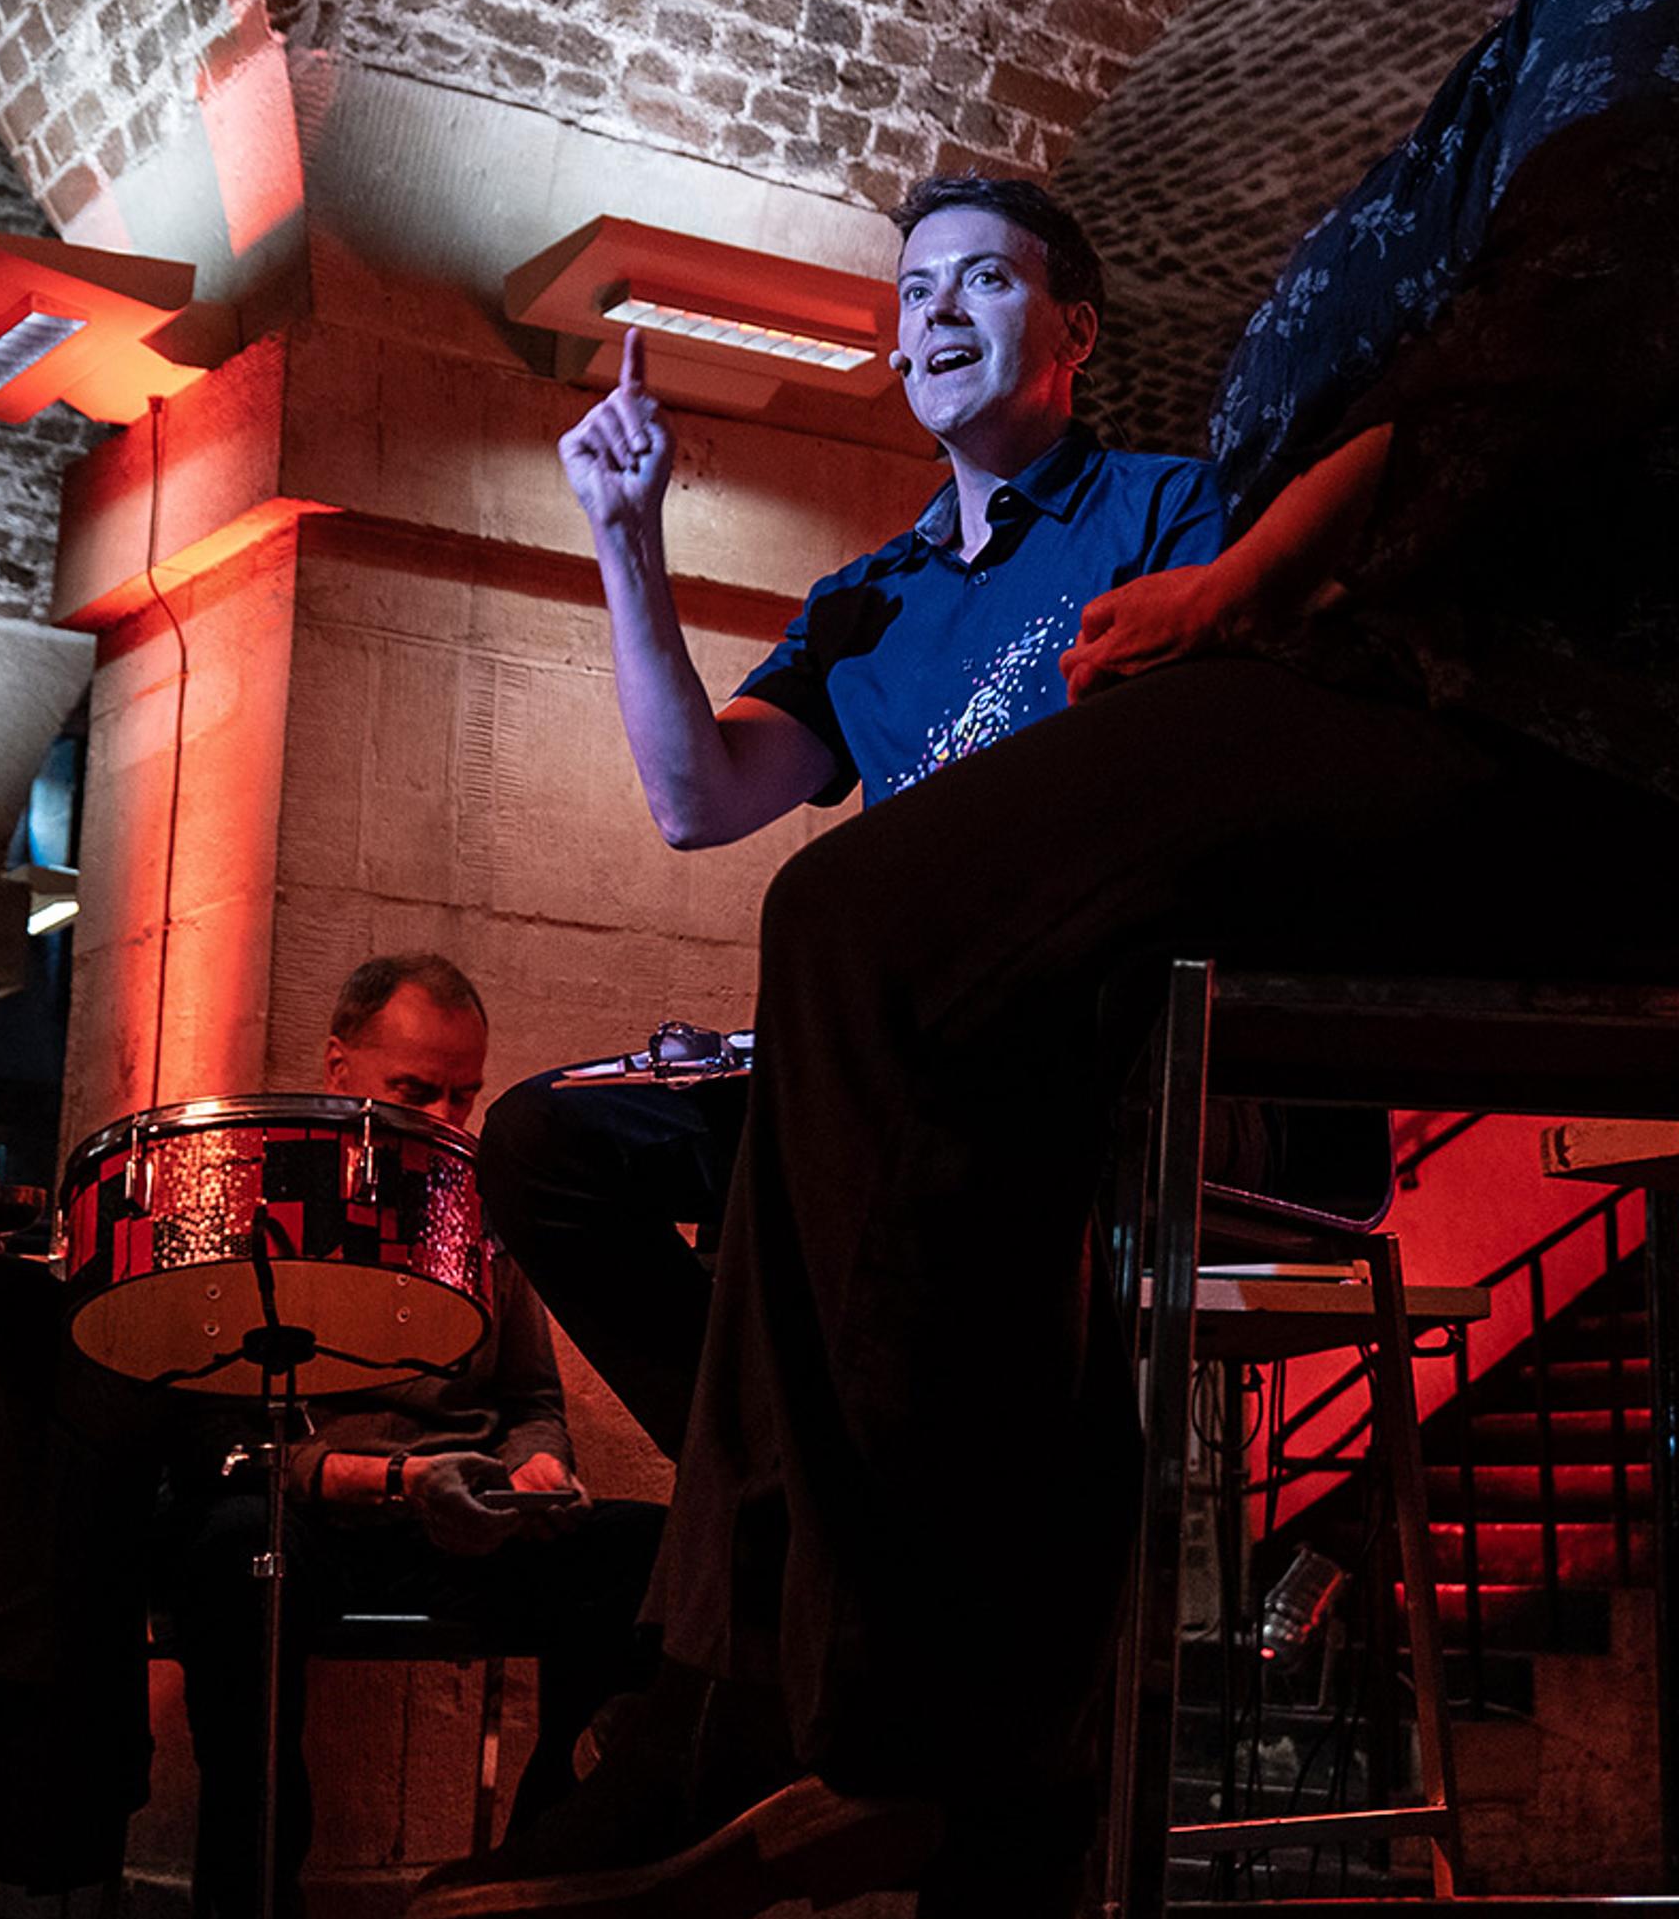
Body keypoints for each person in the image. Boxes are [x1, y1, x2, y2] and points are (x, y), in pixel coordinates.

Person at [408, 0, 1679, 1919]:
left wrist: (1240, 582)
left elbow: (1556, 343)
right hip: (1588, 724)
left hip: (1668, 753)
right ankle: (895, 1725)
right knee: (874, 990)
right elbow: (705, 775)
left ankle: (860, 1720)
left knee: (873, 922)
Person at [471, 177, 1236, 1464]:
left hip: (1076, 1051)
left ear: (1075, 333)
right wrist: (625, 538)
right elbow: (696, 798)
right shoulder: (867, 596)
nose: (938, 311)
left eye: (985, 279)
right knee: (546, 1146)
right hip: (874, 1065)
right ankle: (771, 1482)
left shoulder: (1167, 509)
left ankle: (798, 1516)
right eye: (916, 290)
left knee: (846, 1250)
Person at [163, 952, 664, 1919]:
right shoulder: (254, 1194)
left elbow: (529, 1399)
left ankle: (538, 1873)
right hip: (318, 1510)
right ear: (339, 1067)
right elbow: (235, 1435)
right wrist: (391, 1481)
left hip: (461, 1508)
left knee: (654, 1555)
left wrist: (536, 1465)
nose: (448, 1115)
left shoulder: (476, 1203)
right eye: (417, 1089)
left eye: (466, 1093)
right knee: (228, 1557)